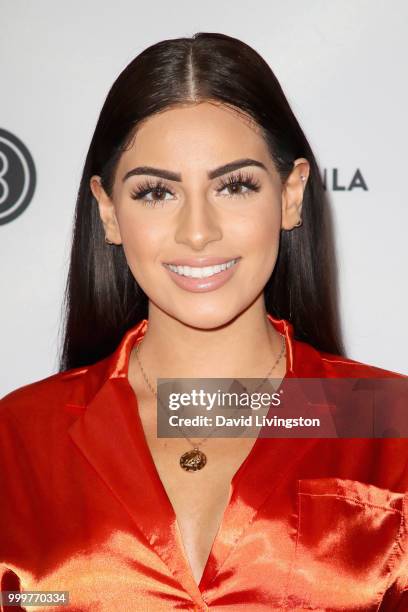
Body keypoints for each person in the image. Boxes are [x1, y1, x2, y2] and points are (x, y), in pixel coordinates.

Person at [1, 32, 407, 612]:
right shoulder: (17, 438)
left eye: (235, 185)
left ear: (291, 195)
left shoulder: (390, 424)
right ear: (109, 212)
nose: (198, 232)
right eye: (156, 193)